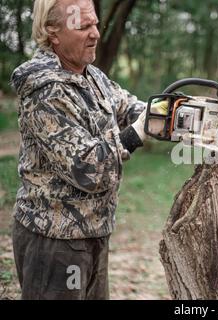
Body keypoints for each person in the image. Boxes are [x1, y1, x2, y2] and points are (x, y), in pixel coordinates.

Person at [10, 0, 164, 299]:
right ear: (52, 33)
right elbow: (88, 168)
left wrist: (168, 115)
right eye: (83, 27)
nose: (95, 33)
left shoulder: (90, 75)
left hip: (93, 232)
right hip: (55, 242)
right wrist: (139, 131)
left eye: (95, 24)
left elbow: (129, 107)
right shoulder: (47, 91)